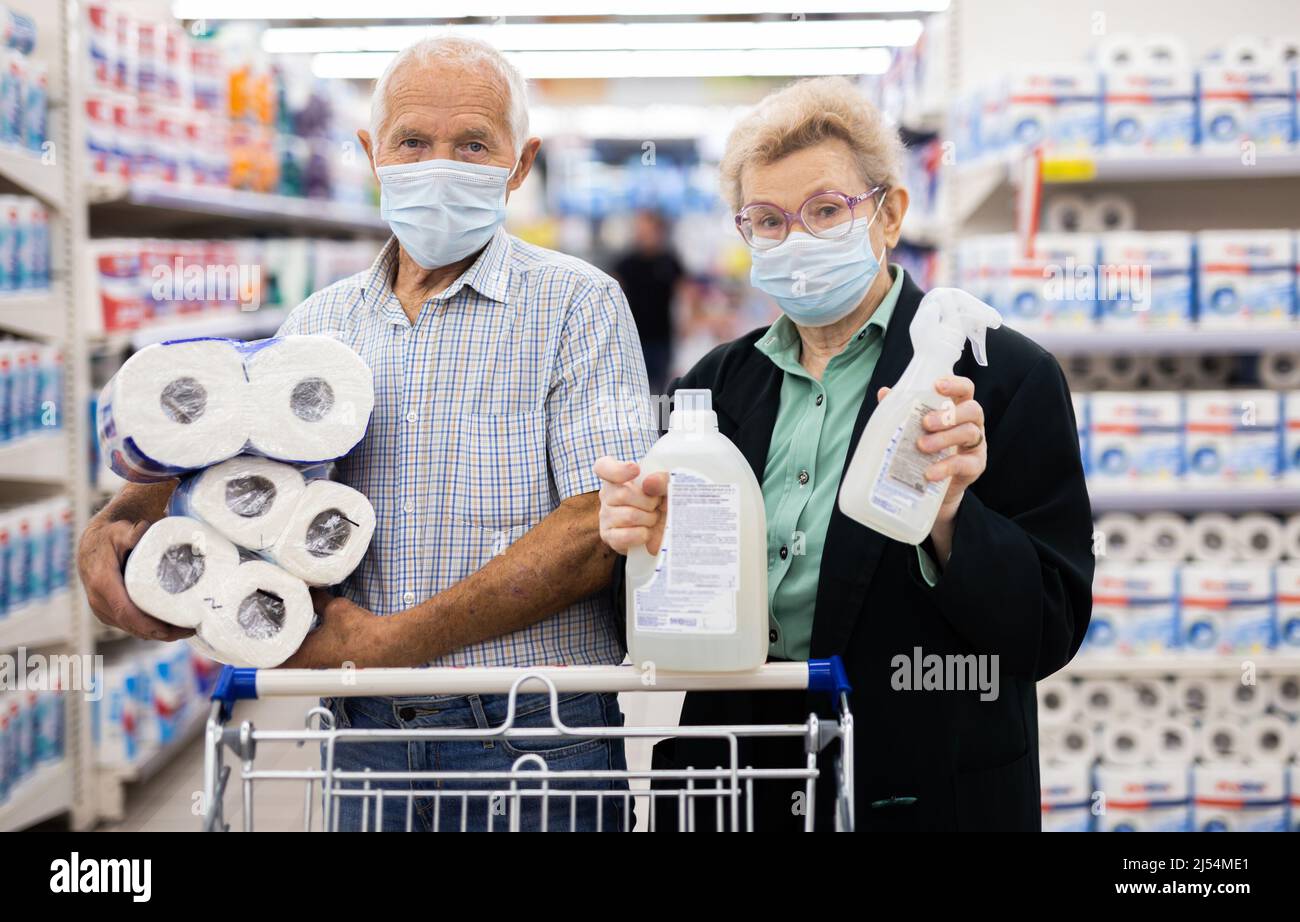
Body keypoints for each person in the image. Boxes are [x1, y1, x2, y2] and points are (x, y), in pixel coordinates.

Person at [76, 35, 656, 832]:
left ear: (519, 166)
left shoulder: (580, 306)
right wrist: (116, 526)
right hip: (366, 738)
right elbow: (233, 467)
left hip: (534, 735)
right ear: (370, 152)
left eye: (473, 144)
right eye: (413, 141)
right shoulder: (320, 323)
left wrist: (387, 644)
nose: (439, 164)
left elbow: (596, 527)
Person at [595, 76, 1094, 831]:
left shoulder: (998, 377)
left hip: (922, 781)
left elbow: (1046, 628)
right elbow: (650, 628)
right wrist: (640, 550)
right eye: (767, 220)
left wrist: (950, 516)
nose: (794, 240)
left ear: (889, 214)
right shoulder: (713, 389)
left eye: (826, 211)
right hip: (738, 778)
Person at [612, 210, 685, 392]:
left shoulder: (669, 261)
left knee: (661, 391)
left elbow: (685, 292)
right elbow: (612, 297)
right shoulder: (626, 263)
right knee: (635, 388)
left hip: (663, 337)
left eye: (648, 230)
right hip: (632, 336)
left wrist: (687, 320)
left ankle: (659, 420)